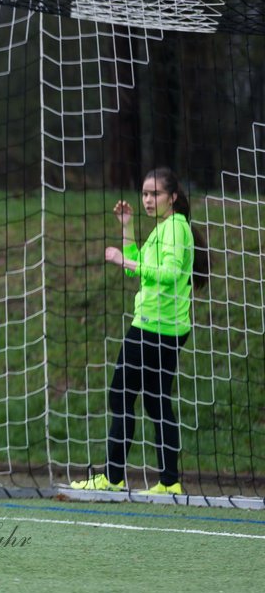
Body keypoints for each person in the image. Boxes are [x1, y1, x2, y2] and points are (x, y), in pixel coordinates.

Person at [72, 168, 208, 495]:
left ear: (172, 197)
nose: (147, 200)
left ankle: (112, 478)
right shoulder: (166, 228)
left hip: (152, 328)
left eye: (155, 194)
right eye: (145, 194)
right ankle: (169, 482)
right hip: (167, 329)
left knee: (121, 397)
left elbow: (170, 274)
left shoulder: (175, 229)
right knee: (156, 403)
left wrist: (123, 261)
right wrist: (128, 230)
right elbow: (142, 268)